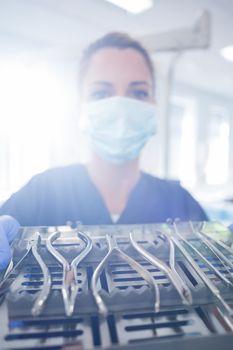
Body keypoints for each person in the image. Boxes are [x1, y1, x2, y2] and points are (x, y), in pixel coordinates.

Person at [0, 32, 208, 270]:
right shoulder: (40, 193)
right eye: (101, 93)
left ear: (154, 105)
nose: (121, 107)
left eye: (138, 92)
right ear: (81, 107)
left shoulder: (181, 202)